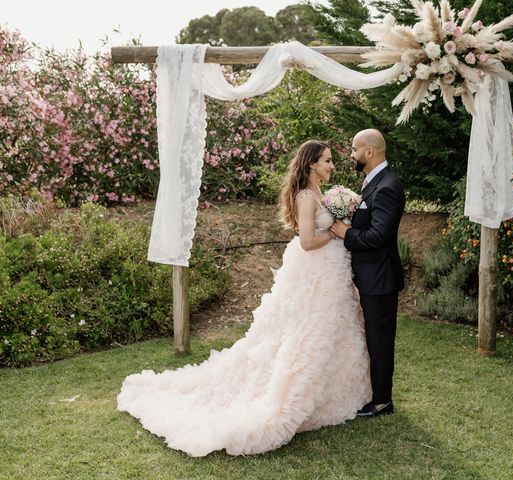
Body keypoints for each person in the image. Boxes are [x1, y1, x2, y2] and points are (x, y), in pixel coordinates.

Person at [117, 139, 371, 457]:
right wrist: (335, 232)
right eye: (327, 161)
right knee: (307, 333)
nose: (332, 166)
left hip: (330, 270)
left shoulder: (321, 194)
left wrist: (339, 224)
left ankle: (337, 393)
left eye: (332, 161)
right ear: (311, 165)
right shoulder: (306, 196)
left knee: (330, 331)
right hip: (315, 270)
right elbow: (307, 241)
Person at [330, 129, 405, 417]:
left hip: (380, 279)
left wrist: (345, 233)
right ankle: (376, 394)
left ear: (369, 152)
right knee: (373, 338)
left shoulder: (388, 186)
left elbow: (378, 236)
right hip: (369, 275)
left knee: (380, 340)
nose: (352, 154)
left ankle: (383, 401)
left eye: (354, 148)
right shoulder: (373, 182)